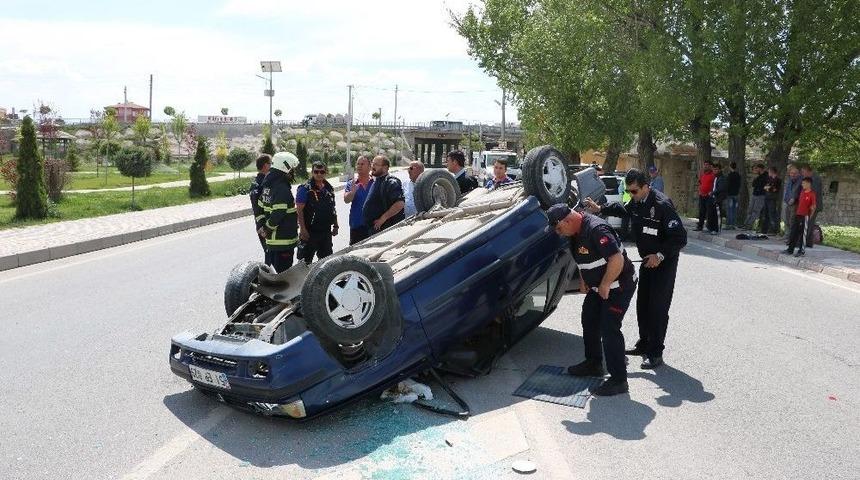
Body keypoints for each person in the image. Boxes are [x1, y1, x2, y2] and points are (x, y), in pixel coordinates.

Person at [584, 169, 687, 369]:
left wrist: (660, 255)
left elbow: (679, 238)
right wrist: (600, 209)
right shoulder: (638, 202)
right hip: (647, 261)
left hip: (663, 263)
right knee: (643, 305)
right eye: (629, 191)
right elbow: (623, 209)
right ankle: (644, 343)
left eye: (634, 191)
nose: (631, 194)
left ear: (646, 187)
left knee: (657, 308)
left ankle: (655, 352)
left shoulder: (662, 205)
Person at [547, 204, 637, 396]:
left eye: (559, 228)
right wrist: (584, 280)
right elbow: (582, 258)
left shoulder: (596, 229)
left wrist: (604, 284)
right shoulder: (574, 231)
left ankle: (619, 380)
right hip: (598, 287)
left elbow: (616, 260)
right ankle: (593, 363)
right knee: (589, 319)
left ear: (568, 220)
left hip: (618, 286)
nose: (559, 233)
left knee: (609, 328)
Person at [258, 152, 300, 273]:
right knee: (283, 277)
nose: (293, 173)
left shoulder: (268, 186)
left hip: (272, 242)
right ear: (285, 168)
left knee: (275, 275)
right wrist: (267, 228)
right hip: (283, 242)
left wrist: (262, 226)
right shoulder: (281, 188)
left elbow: (260, 206)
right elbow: (278, 214)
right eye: (292, 170)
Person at [295, 161, 338, 264]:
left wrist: (336, 225)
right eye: (316, 172)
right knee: (304, 264)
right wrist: (303, 229)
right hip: (310, 233)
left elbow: (332, 208)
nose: (319, 174)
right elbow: (299, 211)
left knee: (327, 263)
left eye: (322, 172)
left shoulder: (329, 188)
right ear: (312, 173)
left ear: (325, 172)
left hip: (326, 232)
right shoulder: (305, 189)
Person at [363, 155, 405, 234]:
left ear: (385, 168)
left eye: (376, 164)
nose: (373, 167)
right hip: (374, 229)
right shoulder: (377, 181)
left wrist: (383, 218)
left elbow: (400, 203)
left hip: (385, 229)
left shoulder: (391, 182)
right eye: (372, 164)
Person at [783, 177, 816, 257]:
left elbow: (813, 207)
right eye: (802, 183)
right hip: (798, 214)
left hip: (805, 216)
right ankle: (790, 249)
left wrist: (809, 217)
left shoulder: (812, 194)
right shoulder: (802, 192)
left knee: (803, 234)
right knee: (793, 232)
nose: (802, 184)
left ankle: (801, 250)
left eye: (804, 183)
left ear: (808, 184)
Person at [344, 155, 373, 245]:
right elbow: (346, 200)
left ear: (369, 167)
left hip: (373, 226)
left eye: (362, 164)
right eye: (358, 164)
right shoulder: (352, 183)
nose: (359, 166)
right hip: (356, 226)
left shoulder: (375, 182)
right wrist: (352, 192)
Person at [249, 154, 271, 254]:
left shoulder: (259, 182)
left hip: (266, 224)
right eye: (271, 164)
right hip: (264, 225)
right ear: (266, 165)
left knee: (271, 253)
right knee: (269, 254)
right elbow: (257, 207)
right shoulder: (260, 184)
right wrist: (261, 226)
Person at [799, 164, 824, 247]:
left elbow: (814, 192)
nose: (802, 173)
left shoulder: (815, 179)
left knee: (808, 223)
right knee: (809, 222)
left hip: (813, 205)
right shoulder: (810, 178)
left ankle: (804, 242)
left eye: (803, 172)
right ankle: (808, 242)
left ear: (808, 171)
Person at [743, 163, 767, 230]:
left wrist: (761, 189)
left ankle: (749, 225)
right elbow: (753, 184)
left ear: (760, 169)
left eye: (757, 168)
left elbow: (766, 186)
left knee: (755, 211)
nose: (755, 170)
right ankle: (746, 223)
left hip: (760, 195)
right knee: (750, 210)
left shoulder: (766, 176)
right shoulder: (758, 176)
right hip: (754, 194)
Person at [694, 160, 715, 231]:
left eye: (707, 165)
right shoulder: (702, 174)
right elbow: (700, 182)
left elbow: (715, 185)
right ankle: (700, 226)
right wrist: (700, 190)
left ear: (710, 166)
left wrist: (712, 192)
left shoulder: (713, 175)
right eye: (704, 165)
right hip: (702, 195)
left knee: (709, 212)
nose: (705, 166)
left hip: (709, 196)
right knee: (701, 211)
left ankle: (709, 227)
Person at [707, 163, 727, 234]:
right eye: (714, 169)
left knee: (717, 214)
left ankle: (716, 229)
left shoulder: (722, 178)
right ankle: (710, 228)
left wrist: (712, 193)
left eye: (716, 169)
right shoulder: (716, 177)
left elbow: (720, 188)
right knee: (711, 213)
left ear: (719, 170)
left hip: (718, 198)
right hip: (713, 197)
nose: (715, 171)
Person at [762, 167, 782, 235]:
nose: (768, 173)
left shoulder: (778, 180)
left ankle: (773, 230)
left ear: (772, 172)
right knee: (766, 214)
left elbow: (774, 189)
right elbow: (765, 187)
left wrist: (769, 188)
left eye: (769, 172)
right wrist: (769, 188)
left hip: (773, 198)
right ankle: (764, 230)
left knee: (772, 214)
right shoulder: (768, 179)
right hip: (767, 197)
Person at [782, 164, 801, 239]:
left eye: (795, 173)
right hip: (787, 202)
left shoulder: (800, 181)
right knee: (786, 218)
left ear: (798, 174)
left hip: (795, 203)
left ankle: (791, 236)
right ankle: (787, 234)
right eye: (791, 173)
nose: (793, 175)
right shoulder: (789, 180)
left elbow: (799, 192)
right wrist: (786, 199)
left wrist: (794, 198)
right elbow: (787, 191)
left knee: (792, 220)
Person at [725, 161, 742, 230]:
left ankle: (729, 224)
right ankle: (734, 223)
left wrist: (726, 192)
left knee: (729, 209)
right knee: (734, 209)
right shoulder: (738, 175)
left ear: (730, 167)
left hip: (730, 194)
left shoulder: (730, 175)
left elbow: (728, 185)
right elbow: (739, 184)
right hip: (736, 194)